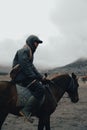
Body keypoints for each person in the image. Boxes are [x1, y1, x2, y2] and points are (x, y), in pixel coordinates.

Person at [12, 35, 45, 122]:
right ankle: (26, 110)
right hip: (21, 77)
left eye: (38, 43)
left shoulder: (29, 52)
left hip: (24, 76)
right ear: (31, 42)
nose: (37, 44)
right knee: (40, 89)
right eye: (36, 42)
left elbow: (32, 67)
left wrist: (41, 77)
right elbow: (25, 66)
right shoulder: (24, 51)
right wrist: (34, 77)